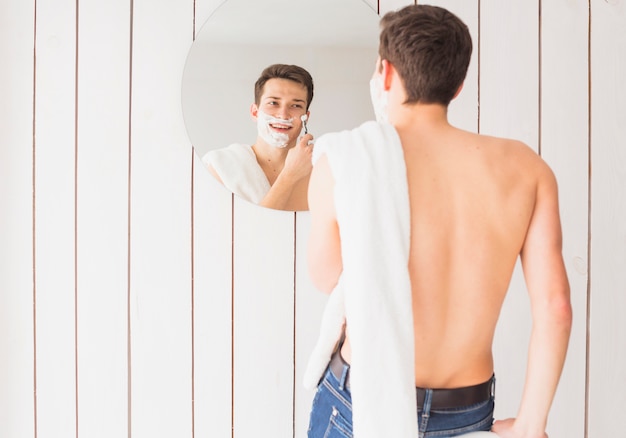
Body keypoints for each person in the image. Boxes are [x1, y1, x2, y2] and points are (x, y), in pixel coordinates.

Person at [305, 5, 572, 438]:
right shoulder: (527, 169)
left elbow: (327, 277)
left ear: (385, 74)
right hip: (465, 409)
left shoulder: (346, 160)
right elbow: (556, 308)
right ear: (459, 84)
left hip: (361, 399)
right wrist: (529, 425)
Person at [203, 63, 315, 211]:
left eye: (295, 106)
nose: (283, 114)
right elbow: (244, 231)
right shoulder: (222, 166)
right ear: (255, 112)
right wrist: (290, 174)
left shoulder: (321, 172)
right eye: (273, 103)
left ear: (305, 117)